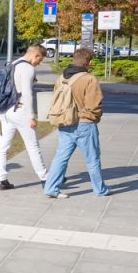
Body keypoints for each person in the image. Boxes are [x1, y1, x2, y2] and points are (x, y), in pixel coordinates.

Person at [43, 47, 107, 199]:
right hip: (84, 124)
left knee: (61, 157)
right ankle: (100, 190)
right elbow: (94, 105)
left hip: (65, 122)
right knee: (92, 159)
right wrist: (94, 118)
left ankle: (51, 188)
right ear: (88, 62)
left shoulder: (61, 78)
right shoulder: (89, 79)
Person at [0, 43, 48, 190]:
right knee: (32, 145)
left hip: (5, 110)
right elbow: (26, 94)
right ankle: (45, 178)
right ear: (36, 55)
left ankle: (2, 179)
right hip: (20, 111)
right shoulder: (27, 68)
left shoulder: (12, 64)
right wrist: (31, 116)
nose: (39, 63)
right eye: (40, 59)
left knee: (3, 146)